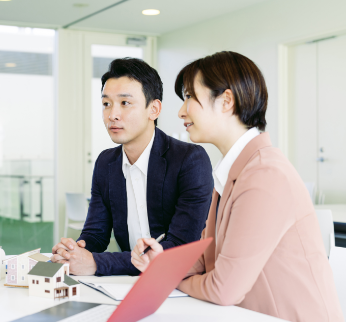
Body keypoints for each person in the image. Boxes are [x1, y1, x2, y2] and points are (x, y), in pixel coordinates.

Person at [131, 51, 344, 322]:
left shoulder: (264, 175)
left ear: (226, 101)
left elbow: (223, 289)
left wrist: (170, 279)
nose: (181, 111)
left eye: (189, 97)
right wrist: (162, 264)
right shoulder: (235, 171)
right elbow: (207, 257)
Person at [51, 58, 214, 276]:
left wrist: (97, 263)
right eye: (106, 104)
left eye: (125, 103)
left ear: (154, 109)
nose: (112, 115)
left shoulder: (189, 159)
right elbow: (96, 234)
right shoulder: (106, 163)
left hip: (181, 285)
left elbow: (179, 248)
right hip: (127, 285)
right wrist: (75, 251)